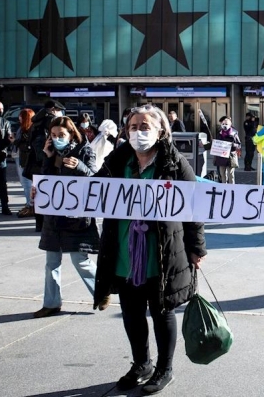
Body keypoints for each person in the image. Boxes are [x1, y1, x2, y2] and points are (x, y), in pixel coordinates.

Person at [92, 105, 206, 395]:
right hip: (124, 253)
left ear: (160, 131)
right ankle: (141, 364)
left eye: (145, 127)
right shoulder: (118, 160)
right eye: (133, 127)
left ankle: (164, 369)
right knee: (131, 312)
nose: (139, 132)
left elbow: (195, 207)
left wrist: (196, 248)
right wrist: (47, 192)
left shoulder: (174, 163)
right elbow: (89, 192)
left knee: (162, 312)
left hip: (162, 254)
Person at [32, 116, 102, 319]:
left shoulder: (84, 150)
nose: (57, 138)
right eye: (53, 135)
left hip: (76, 217)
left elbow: (95, 179)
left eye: (61, 135)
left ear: (71, 133)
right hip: (54, 218)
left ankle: (101, 292)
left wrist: (79, 166)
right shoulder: (50, 153)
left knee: (80, 259)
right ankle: (51, 303)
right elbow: (45, 180)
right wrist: (46, 158)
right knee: (51, 262)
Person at [24, 99, 66, 231]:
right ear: (54, 110)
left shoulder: (36, 120)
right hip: (44, 162)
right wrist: (49, 158)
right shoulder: (49, 121)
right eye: (59, 111)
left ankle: (40, 224)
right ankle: (43, 224)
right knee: (46, 194)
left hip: (35, 163)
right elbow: (45, 144)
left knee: (39, 194)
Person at [13, 108, 36, 218]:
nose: (19, 118)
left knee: (27, 184)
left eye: (21, 116)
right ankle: (29, 204)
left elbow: (27, 146)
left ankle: (30, 205)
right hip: (21, 157)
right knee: (26, 184)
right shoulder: (23, 129)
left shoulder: (28, 130)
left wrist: (15, 141)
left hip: (25, 159)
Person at [214, 116, 242, 184]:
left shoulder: (234, 134)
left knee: (231, 175)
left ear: (230, 125)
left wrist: (233, 145)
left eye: (226, 124)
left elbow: (239, 145)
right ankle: (224, 187)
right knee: (222, 174)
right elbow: (216, 144)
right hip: (221, 157)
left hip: (230, 157)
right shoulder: (219, 134)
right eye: (223, 124)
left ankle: (232, 188)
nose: (224, 126)